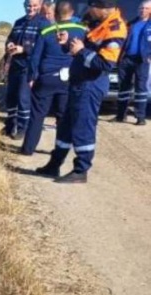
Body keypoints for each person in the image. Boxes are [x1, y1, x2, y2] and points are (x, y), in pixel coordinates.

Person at [36, 0, 128, 183]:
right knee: (65, 127)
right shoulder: (97, 22)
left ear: (102, 8)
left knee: (83, 128)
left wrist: (81, 51)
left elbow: (105, 64)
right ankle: (54, 164)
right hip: (78, 82)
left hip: (90, 85)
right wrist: (68, 43)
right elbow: (83, 48)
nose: (88, 10)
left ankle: (81, 170)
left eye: (92, 7)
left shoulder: (115, 29)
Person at [21, 1, 88, 154]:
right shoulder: (82, 31)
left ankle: (28, 148)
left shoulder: (46, 31)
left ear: (56, 14)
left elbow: (35, 57)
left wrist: (32, 77)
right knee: (63, 117)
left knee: (37, 115)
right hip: (69, 78)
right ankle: (60, 150)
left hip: (46, 78)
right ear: (72, 13)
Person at [4, 0, 52, 138]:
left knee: (23, 98)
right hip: (15, 65)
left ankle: (22, 128)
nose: (31, 8)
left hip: (29, 67)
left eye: (34, 6)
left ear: (39, 6)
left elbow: (43, 47)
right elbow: (9, 39)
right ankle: (9, 125)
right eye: (28, 6)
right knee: (11, 97)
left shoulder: (43, 23)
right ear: (24, 6)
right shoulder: (18, 22)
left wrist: (24, 49)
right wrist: (10, 44)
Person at [114, 0, 151, 124]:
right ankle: (120, 115)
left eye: (146, 8)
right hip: (127, 59)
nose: (143, 10)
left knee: (140, 88)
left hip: (142, 60)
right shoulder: (131, 23)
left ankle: (140, 117)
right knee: (123, 87)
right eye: (141, 8)